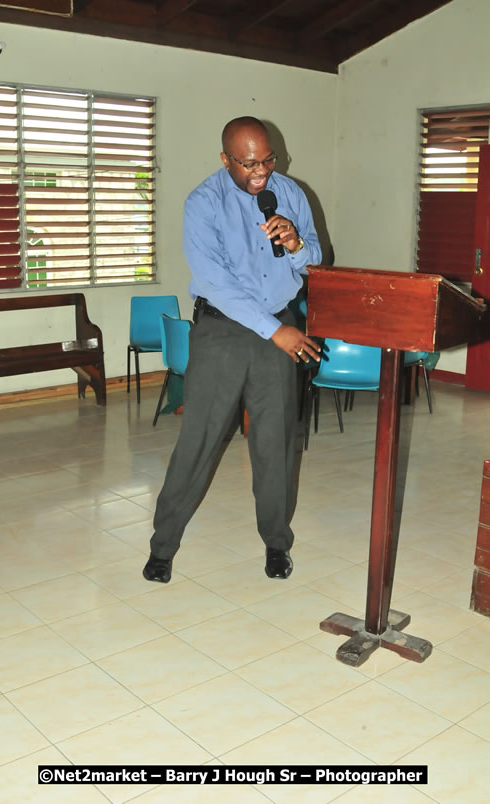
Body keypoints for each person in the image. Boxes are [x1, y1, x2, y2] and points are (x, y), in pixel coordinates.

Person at [143, 116, 322, 584]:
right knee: (199, 439)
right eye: (248, 164)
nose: (260, 173)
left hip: (280, 325)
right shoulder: (203, 203)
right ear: (226, 160)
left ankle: (276, 544)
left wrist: (298, 243)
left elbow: (319, 260)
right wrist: (274, 331)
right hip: (223, 332)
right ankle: (163, 546)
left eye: (267, 160)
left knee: (276, 442)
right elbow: (217, 283)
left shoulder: (291, 193)